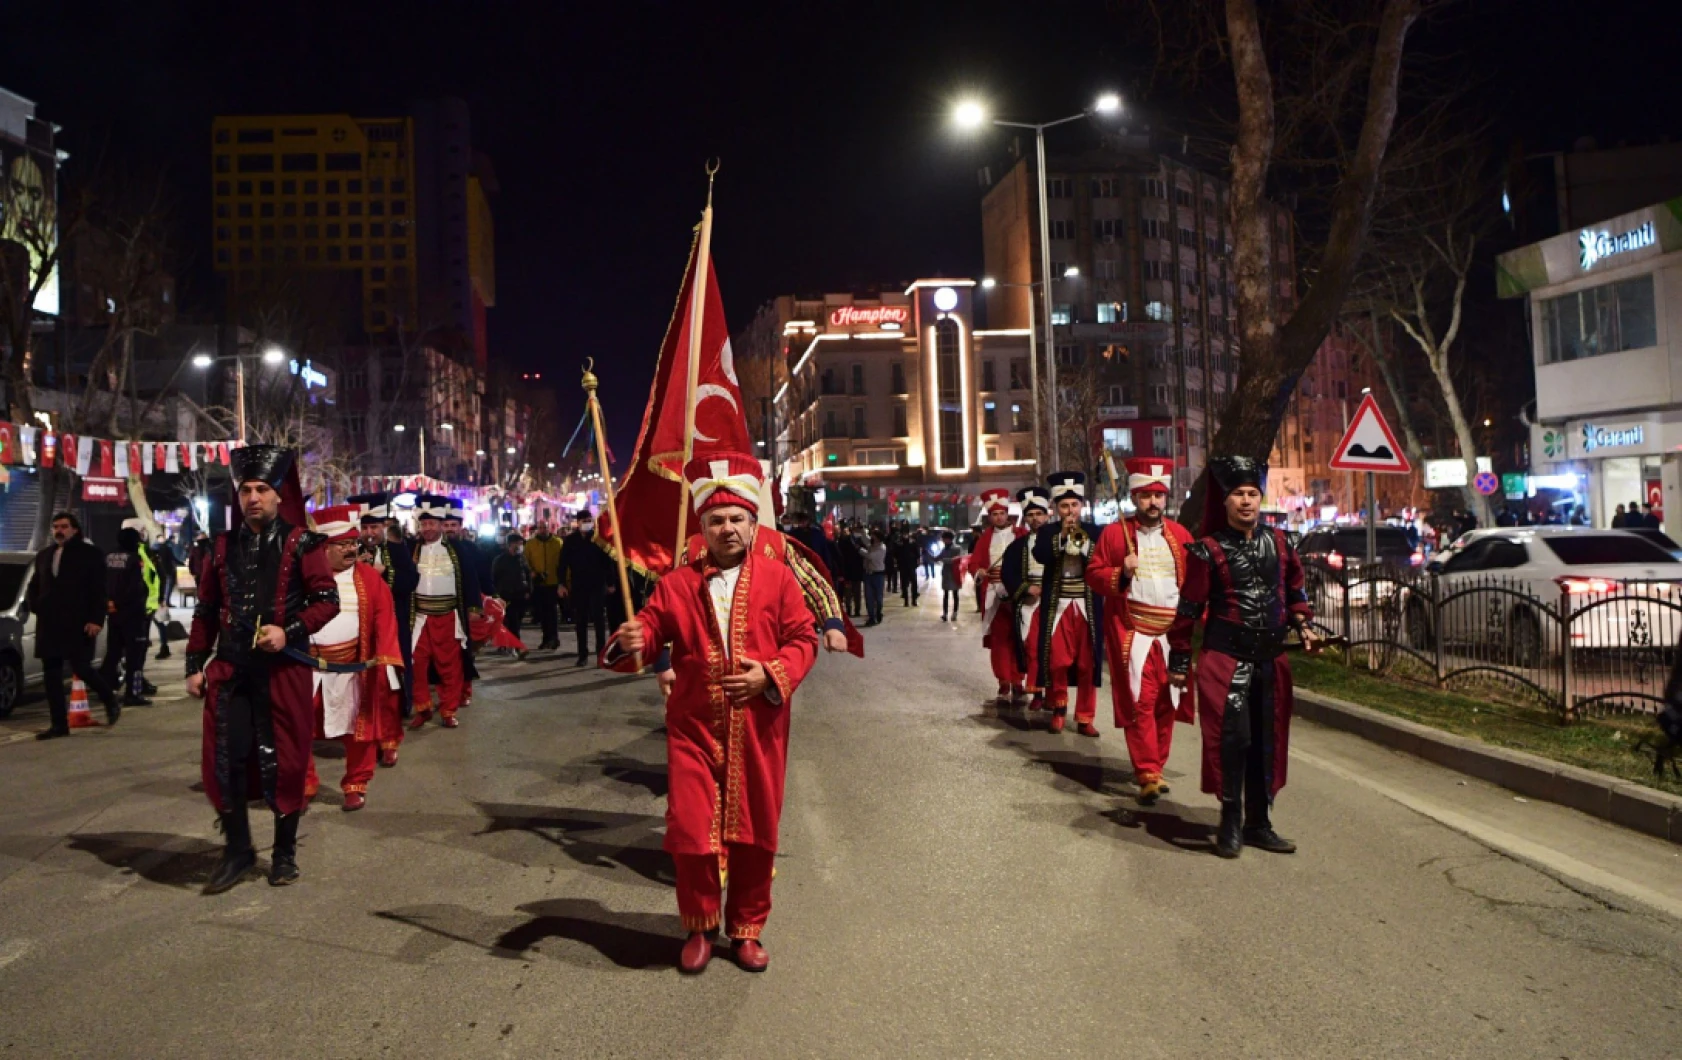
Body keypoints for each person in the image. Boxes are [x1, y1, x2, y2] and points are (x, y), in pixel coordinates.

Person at [603, 451, 818, 974]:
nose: (728, 528)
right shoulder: (677, 584)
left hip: (760, 730)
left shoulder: (779, 579)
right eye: (717, 520)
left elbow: (802, 639)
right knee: (693, 833)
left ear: (753, 522)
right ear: (702, 527)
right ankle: (700, 927)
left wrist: (768, 675)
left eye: (737, 519)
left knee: (754, 832)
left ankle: (746, 930)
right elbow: (649, 632)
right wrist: (633, 639)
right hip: (694, 729)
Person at [186, 445, 340, 892]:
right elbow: (208, 608)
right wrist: (196, 662)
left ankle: (284, 854)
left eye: (261, 489)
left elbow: (326, 601)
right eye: (245, 490)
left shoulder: (304, 543)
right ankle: (237, 852)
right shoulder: (219, 546)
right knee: (225, 761)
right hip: (231, 670)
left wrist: (287, 630)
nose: (253, 497)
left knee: (286, 764)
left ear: (276, 495)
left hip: (282, 671)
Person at [1174, 456, 1320, 859]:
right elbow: (1189, 607)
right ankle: (1230, 820)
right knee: (1232, 740)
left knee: (1267, 740)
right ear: (1225, 500)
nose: (1246, 501)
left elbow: (1295, 593)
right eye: (1238, 494)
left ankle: (1259, 823)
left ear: (1260, 497)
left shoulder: (1281, 543)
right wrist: (1180, 660)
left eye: (1252, 494)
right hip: (1225, 658)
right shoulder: (1206, 551)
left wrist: (1304, 624)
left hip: (1271, 661)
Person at [1087, 459, 1194, 804]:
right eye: (1146, 495)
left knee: (1168, 702)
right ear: (1134, 496)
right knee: (1141, 701)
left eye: (1158, 496)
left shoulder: (1181, 536)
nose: (1153, 503)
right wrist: (1122, 572)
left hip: (1171, 634)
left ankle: (1157, 767)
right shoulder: (1114, 534)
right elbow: (1094, 574)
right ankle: (1147, 771)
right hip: (1133, 634)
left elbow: (1194, 584)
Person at [301, 505, 404, 812]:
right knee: (297, 725)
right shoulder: (303, 579)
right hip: (308, 666)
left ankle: (356, 783)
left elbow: (386, 618)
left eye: (352, 544)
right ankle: (304, 782)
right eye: (342, 545)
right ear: (323, 548)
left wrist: (384, 662)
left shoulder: (370, 579)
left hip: (353, 666)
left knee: (357, 729)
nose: (350, 550)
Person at [26, 512, 120, 738]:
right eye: (56, 526)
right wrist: (36, 605)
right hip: (49, 623)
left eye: (64, 526)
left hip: (78, 622)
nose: (59, 530)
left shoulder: (90, 554)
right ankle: (58, 724)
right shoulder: (45, 555)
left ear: (75, 529)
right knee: (51, 674)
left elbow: (99, 589)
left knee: (82, 667)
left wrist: (96, 619)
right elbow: (35, 584)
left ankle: (109, 699)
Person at [1029, 472, 1103, 736]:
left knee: (1088, 663)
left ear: (1082, 506)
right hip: (1058, 605)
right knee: (1057, 660)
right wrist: (1062, 535)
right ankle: (1059, 708)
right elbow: (1040, 555)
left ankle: (1085, 717)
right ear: (1056, 509)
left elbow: (1099, 559)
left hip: (1087, 605)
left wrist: (1079, 538)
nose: (1070, 511)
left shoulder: (1095, 530)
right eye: (1064, 506)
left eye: (1074, 505)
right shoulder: (1048, 531)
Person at [350, 492, 418, 767]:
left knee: (392, 673)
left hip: (393, 622)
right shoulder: (349, 549)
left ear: (384, 527)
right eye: (365, 527)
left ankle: (396, 718)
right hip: (357, 627)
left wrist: (383, 573)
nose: (369, 533)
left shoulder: (397, 548)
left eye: (374, 527)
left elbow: (411, 580)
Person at [408, 494, 482, 730]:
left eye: (431, 524)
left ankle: (448, 710)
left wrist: (473, 607)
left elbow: (470, 579)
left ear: (441, 525)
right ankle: (423, 707)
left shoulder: (458, 550)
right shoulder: (412, 549)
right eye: (423, 524)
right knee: (416, 663)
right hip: (420, 618)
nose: (427, 529)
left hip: (450, 616)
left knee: (449, 666)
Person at [968, 489, 1027, 704]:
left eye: (1002, 513)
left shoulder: (1021, 534)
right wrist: (979, 572)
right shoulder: (985, 539)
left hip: (1018, 593)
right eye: (994, 514)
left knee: (1019, 638)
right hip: (994, 594)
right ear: (989, 517)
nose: (999, 517)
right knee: (1000, 639)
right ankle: (1003, 679)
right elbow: (974, 563)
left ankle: (1018, 679)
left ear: (1007, 513)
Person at [1000, 487, 1052, 713]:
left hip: (1056, 601)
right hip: (1029, 603)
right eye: (1030, 515)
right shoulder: (1017, 547)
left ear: (1047, 514)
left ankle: (1055, 694)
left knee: (1055, 650)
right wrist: (1026, 588)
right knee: (1032, 648)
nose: (1035, 518)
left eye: (1039, 514)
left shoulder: (1059, 540)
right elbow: (1007, 574)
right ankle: (1037, 692)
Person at [100, 518, 158, 707]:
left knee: (113, 653)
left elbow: (103, 583)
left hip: (113, 613)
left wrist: (109, 602)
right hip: (132, 614)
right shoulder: (133, 559)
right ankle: (132, 694)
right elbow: (135, 588)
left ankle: (105, 690)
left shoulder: (108, 556)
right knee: (135, 657)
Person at [560, 512, 614, 666]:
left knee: (599, 621)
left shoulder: (598, 539)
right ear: (578, 522)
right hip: (579, 585)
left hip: (597, 584)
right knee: (581, 621)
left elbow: (607, 561)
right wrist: (561, 583)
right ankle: (582, 655)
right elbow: (563, 564)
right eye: (585, 521)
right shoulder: (570, 541)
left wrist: (610, 583)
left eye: (590, 520)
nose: (588, 523)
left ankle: (601, 654)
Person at [525, 519, 564, 650]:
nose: (542, 530)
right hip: (538, 583)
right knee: (542, 613)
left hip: (553, 583)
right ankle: (546, 638)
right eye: (540, 527)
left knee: (552, 613)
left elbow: (563, 563)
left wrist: (563, 582)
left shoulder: (557, 543)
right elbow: (525, 561)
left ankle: (554, 638)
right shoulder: (530, 544)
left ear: (549, 528)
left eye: (544, 527)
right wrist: (532, 573)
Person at [492, 532, 533, 650]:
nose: (520, 546)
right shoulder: (500, 560)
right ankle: (515, 645)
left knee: (517, 620)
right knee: (511, 620)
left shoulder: (522, 558)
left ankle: (506, 642)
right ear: (510, 544)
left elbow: (527, 574)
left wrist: (528, 590)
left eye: (521, 544)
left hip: (520, 594)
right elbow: (494, 578)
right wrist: (495, 595)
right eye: (518, 544)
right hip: (506, 595)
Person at [152, 532, 178, 661]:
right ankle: (164, 646)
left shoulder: (151, 552)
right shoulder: (153, 552)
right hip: (152, 597)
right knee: (158, 622)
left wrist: (161, 598)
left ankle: (164, 647)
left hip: (151, 598)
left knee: (158, 622)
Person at [935, 531, 964, 621]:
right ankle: (945, 613)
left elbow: (957, 560)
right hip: (946, 573)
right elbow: (938, 557)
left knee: (955, 594)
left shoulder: (957, 548)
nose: (943, 540)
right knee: (945, 594)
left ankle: (954, 613)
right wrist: (930, 556)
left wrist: (944, 560)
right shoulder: (944, 549)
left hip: (954, 573)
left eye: (945, 539)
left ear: (949, 539)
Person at [862, 528, 888, 626]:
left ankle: (878, 612)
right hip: (868, 574)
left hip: (878, 574)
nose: (872, 538)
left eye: (874, 536)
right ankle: (871, 617)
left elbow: (870, 556)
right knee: (869, 597)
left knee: (878, 597)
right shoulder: (872, 545)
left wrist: (859, 550)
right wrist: (862, 531)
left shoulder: (881, 548)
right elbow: (866, 539)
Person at [895, 525, 923, 607]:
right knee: (904, 583)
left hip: (911, 565)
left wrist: (917, 562)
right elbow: (895, 554)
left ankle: (914, 599)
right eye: (903, 533)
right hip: (903, 565)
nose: (905, 535)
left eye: (906, 533)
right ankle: (906, 600)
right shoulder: (899, 543)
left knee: (913, 582)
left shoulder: (912, 542)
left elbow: (917, 553)